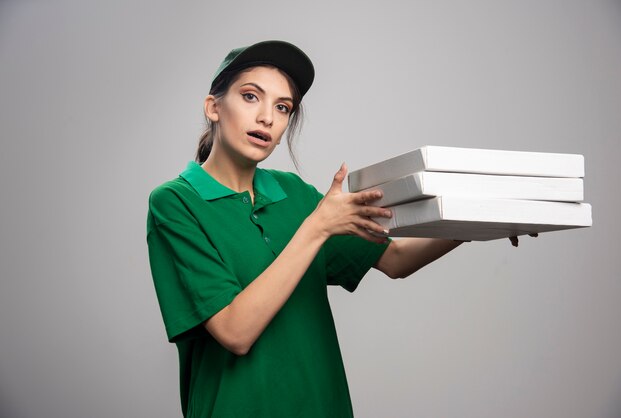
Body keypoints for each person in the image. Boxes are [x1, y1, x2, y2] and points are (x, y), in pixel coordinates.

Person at [146, 40, 464, 418]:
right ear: (214, 107)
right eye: (251, 97)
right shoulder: (174, 203)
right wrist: (316, 228)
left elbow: (394, 259)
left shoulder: (293, 193)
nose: (267, 117)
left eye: (283, 108)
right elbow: (235, 331)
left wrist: (478, 223)